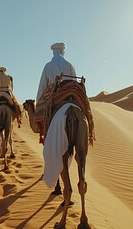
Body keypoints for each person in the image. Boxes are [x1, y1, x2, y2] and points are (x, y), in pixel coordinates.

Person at [36, 42, 77, 197]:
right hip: (71, 98)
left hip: (55, 101)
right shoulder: (70, 65)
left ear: (53, 52)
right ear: (62, 51)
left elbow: (42, 88)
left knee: (47, 127)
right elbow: (75, 84)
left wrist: (40, 104)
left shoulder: (48, 66)